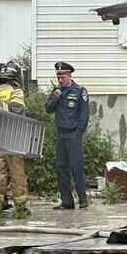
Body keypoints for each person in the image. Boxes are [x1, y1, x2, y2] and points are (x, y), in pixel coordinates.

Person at [0, 62, 29, 218]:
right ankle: (22, 207)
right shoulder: (15, 91)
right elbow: (18, 111)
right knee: (17, 173)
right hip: (11, 138)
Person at [45, 61, 90, 210]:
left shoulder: (79, 91)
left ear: (69, 75)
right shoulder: (56, 91)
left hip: (73, 135)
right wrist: (55, 98)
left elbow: (84, 116)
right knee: (61, 167)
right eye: (58, 76)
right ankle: (67, 201)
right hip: (61, 134)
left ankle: (82, 200)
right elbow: (48, 109)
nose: (60, 79)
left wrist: (78, 134)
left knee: (76, 167)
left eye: (62, 76)